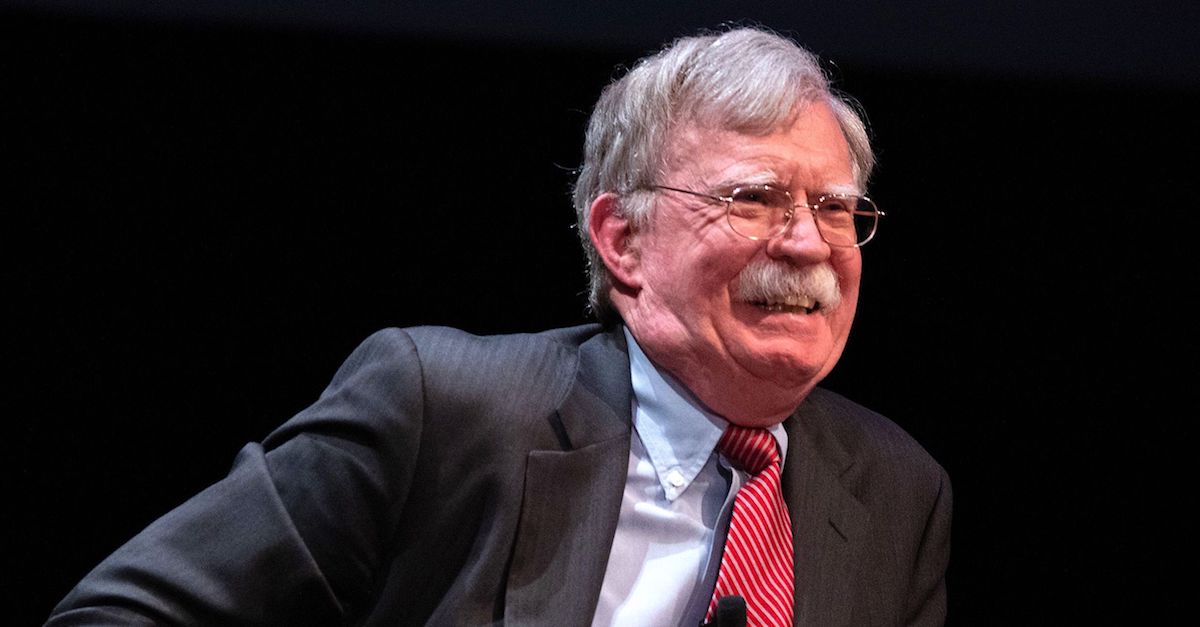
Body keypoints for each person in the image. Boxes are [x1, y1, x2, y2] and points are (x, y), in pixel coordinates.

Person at [46, 25, 951, 627]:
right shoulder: (446, 409)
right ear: (622, 239)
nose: (807, 242)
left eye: (837, 208)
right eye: (756, 198)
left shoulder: (896, 492)